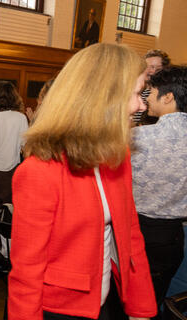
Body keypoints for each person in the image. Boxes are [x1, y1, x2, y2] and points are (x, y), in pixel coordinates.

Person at [9, 43, 157, 320]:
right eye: (136, 94)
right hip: (58, 309)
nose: (142, 105)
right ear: (104, 98)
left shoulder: (117, 154)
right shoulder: (39, 170)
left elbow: (130, 235)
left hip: (106, 301)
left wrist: (141, 308)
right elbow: (26, 271)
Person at [131, 67, 187, 319]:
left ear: (168, 97)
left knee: (125, 300)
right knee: (153, 301)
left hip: (136, 230)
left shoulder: (138, 137)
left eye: (150, 92)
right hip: (173, 236)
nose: (145, 99)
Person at [132, 49, 171, 125]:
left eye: (158, 69)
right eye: (150, 67)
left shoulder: (162, 94)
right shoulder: (133, 87)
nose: (153, 71)